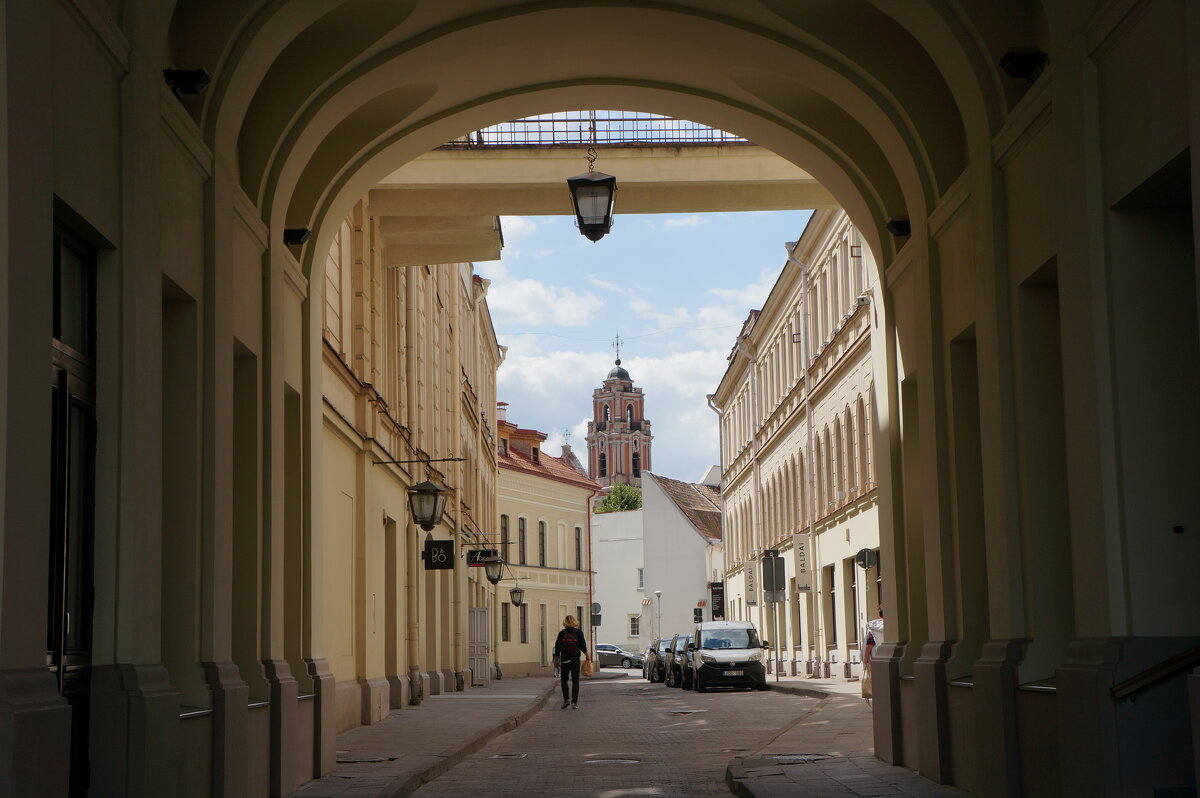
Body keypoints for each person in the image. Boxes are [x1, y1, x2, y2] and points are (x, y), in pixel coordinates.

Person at [552, 615, 590, 709]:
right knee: (575, 681)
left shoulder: (562, 633)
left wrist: (556, 660)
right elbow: (583, 646)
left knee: (564, 681)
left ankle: (566, 700)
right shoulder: (578, 633)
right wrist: (587, 656)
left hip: (564, 660)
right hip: (575, 660)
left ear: (565, 622)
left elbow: (557, 648)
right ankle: (574, 703)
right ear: (574, 622)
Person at [862, 605, 884, 703]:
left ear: (879, 613)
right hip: (890, 656)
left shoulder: (874, 626)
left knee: (877, 681)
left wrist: (865, 659)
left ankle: (879, 700)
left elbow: (870, 644)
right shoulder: (894, 625)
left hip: (876, 657)